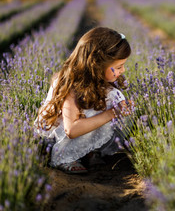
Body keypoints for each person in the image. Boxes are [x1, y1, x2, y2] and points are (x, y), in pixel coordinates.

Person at [35, 27, 134, 174]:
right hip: (59, 135)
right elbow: (71, 130)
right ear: (97, 65)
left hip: (80, 127)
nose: (123, 71)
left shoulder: (98, 80)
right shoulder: (71, 84)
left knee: (114, 98)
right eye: (119, 67)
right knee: (109, 106)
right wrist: (112, 113)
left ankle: (88, 151)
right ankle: (64, 157)